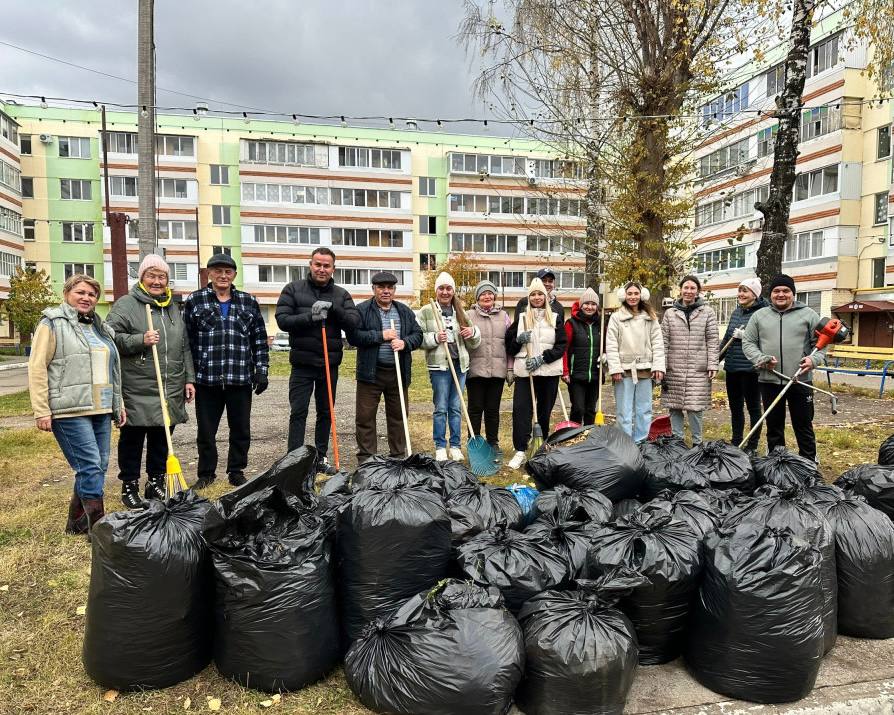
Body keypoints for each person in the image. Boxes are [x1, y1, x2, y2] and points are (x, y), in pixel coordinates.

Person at [28, 274, 125, 534]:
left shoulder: (100, 328)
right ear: (66, 294)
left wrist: (118, 404)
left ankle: (76, 524)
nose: (86, 298)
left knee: (96, 467)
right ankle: (98, 530)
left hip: (101, 407)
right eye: (80, 292)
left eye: (92, 294)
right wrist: (41, 410)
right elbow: (37, 367)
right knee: (90, 466)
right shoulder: (52, 323)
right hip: (70, 409)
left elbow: (113, 370)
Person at [105, 255, 195, 508]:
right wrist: (140, 340)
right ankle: (129, 485)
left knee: (162, 437)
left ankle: (155, 481)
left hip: (169, 384)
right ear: (142, 277)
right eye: (151, 276)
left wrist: (189, 378)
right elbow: (110, 337)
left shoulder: (172, 307)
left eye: (161, 277)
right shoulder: (127, 304)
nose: (157, 281)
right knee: (133, 438)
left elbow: (184, 346)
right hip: (137, 385)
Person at [183, 253, 269, 489]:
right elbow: (186, 341)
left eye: (228, 272)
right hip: (206, 378)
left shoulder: (248, 302)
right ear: (209, 273)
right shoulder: (195, 300)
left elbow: (259, 339)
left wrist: (262, 369)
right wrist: (188, 376)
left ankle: (236, 471)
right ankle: (206, 473)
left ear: (234, 275)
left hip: (239, 378)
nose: (223, 276)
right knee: (206, 431)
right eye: (218, 271)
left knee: (241, 429)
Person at [275, 247, 360, 474]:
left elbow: (353, 322)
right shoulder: (293, 289)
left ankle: (321, 458)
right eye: (318, 264)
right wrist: (310, 317)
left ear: (333, 269)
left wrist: (334, 310)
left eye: (326, 265)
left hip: (329, 364)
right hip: (302, 364)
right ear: (310, 265)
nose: (322, 269)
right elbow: (282, 320)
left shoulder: (341, 294)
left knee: (326, 412)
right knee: (298, 412)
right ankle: (294, 461)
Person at [741, 274, 825, 461]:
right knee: (774, 426)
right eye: (776, 291)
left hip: (800, 380)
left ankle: (809, 463)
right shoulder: (759, 316)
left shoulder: (809, 314)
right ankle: (776, 463)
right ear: (770, 294)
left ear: (793, 293)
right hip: (769, 379)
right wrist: (761, 359)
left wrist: (813, 360)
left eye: (786, 291)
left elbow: (821, 345)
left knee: (803, 425)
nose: (781, 294)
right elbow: (748, 343)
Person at [349, 271, 423, 464]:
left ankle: (398, 457)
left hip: (398, 372)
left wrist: (405, 343)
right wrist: (380, 336)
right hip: (370, 373)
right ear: (373, 289)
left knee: (398, 416)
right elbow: (354, 336)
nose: (386, 291)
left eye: (390, 287)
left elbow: (418, 335)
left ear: (394, 290)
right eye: (381, 287)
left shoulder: (404, 311)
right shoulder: (362, 310)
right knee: (365, 417)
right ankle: (367, 460)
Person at [417, 272, 481, 461]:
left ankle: (455, 446)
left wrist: (473, 333)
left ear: (453, 291)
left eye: (448, 288)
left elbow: (475, 342)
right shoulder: (426, 311)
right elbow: (418, 338)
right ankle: (440, 446)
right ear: (436, 290)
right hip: (440, 367)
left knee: (455, 407)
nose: (445, 292)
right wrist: (435, 338)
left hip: (460, 366)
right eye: (441, 288)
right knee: (441, 407)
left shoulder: (460, 311)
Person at [505, 277, 567, 469]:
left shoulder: (555, 317)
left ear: (545, 296)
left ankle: (541, 447)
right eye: (533, 294)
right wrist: (518, 340)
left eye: (540, 293)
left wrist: (542, 358)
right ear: (529, 297)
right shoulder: (522, 318)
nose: (537, 297)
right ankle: (520, 450)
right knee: (521, 411)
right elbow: (510, 347)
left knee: (544, 412)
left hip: (548, 373)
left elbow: (561, 346)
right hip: (526, 373)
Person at [660, 275, 720, 445]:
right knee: (675, 407)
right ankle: (677, 442)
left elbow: (712, 339)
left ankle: (697, 443)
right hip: (674, 368)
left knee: (695, 408)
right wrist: (662, 366)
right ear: (680, 290)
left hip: (698, 368)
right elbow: (664, 341)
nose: (688, 291)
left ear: (698, 291)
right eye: (685, 287)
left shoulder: (707, 312)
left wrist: (712, 364)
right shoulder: (670, 313)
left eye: (692, 288)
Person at [605, 282, 665, 443]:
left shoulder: (650, 317)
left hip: (645, 369)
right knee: (624, 411)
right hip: (624, 370)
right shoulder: (616, 318)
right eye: (629, 293)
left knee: (644, 409)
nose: (633, 297)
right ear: (624, 296)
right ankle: (625, 443)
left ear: (642, 295)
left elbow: (658, 343)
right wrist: (615, 368)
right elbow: (611, 344)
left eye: (636, 293)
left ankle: (641, 441)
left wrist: (658, 366)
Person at [466, 279, 511, 461]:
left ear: (494, 296)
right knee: (475, 409)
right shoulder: (469, 315)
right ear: (477, 297)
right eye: (483, 293)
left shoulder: (504, 316)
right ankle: (474, 442)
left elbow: (509, 344)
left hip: (497, 371)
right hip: (475, 371)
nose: (487, 296)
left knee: (493, 410)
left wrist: (509, 368)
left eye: (490, 293)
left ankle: (493, 443)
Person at [721, 277, 768, 450]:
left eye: (745, 291)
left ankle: (752, 446)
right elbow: (727, 338)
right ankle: (736, 442)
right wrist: (716, 359)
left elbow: (766, 339)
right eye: (740, 290)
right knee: (735, 407)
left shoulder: (763, 313)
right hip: (732, 367)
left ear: (755, 294)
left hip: (751, 369)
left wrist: (746, 336)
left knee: (754, 408)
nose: (741, 294)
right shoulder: (736, 312)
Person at [562, 287, 603, 425]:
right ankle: (574, 434)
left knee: (591, 409)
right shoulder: (571, 323)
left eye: (593, 304)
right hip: (576, 375)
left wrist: (605, 357)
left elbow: (606, 346)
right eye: (586, 303)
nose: (589, 307)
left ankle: (589, 435)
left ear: (597, 306)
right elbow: (564, 349)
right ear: (581, 305)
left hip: (595, 374)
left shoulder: (601, 323)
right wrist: (565, 371)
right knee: (578, 408)